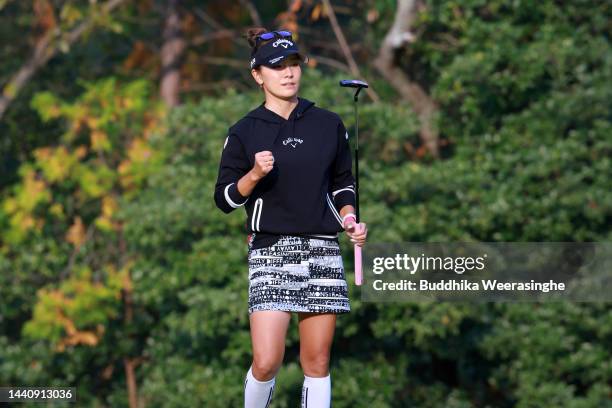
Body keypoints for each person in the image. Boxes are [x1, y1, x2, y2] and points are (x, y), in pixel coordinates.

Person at [213, 27, 368, 408]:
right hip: (271, 251)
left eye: (294, 64)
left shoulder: (328, 123)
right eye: (276, 66)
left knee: (316, 361)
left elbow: (343, 184)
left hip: (322, 249)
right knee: (267, 362)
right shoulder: (243, 132)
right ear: (257, 75)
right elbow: (224, 199)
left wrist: (349, 219)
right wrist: (253, 175)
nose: (288, 72)